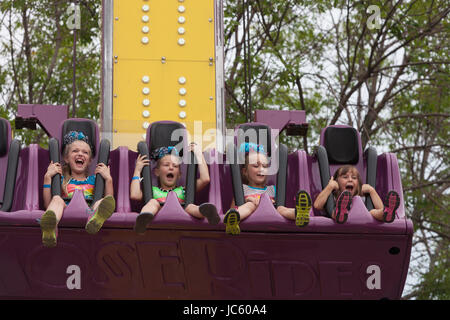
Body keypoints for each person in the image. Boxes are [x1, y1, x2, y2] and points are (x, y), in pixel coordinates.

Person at [40, 131, 115, 247]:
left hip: (90, 209)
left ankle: (95, 220)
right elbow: (47, 204)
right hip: (66, 208)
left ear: (89, 160)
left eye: (85, 152)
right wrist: (47, 177)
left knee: (101, 202)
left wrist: (108, 179)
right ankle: (50, 227)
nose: (80, 154)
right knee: (56, 199)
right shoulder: (62, 180)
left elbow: (109, 199)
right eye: (75, 151)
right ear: (66, 158)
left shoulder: (95, 180)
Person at [224, 142, 312, 235]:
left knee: (281, 208)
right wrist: (247, 199)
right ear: (245, 171)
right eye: (256, 166)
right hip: (252, 217)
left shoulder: (271, 189)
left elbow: (277, 206)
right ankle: (233, 220)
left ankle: (298, 213)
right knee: (250, 205)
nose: (261, 169)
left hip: (271, 216)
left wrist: (271, 203)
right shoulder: (242, 189)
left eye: (265, 166)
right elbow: (233, 208)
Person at [131, 143, 220, 234]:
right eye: (166, 165)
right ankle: (143, 219)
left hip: (182, 211)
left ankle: (206, 212)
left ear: (179, 175)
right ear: (157, 172)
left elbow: (205, 179)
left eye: (175, 166)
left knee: (190, 206)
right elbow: (134, 195)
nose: (171, 168)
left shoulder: (184, 191)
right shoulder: (152, 191)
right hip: (159, 211)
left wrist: (198, 154)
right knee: (152, 202)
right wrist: (137, 170)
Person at [313, 165, 400, 223]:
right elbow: (317, 205)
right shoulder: (332, 198)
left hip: (362, 223)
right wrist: (329, 187)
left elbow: (380, 208)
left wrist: (372, 191)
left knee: (373, 212)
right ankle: (340, 213)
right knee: (333, 211)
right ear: (336, 181)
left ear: (358, 184)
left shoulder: (361, 199)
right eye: (345, 177)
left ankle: (387, 214)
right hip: (339, 224)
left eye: (354, 178)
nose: (350, 179)